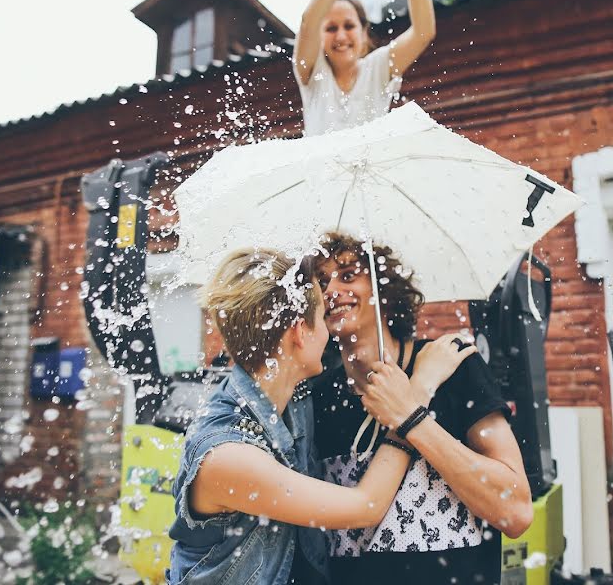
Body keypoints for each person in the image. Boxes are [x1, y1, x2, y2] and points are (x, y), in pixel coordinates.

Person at [166, 248, 475, 585]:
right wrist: (416, 393)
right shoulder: (228, 456)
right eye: (322, 315)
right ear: (300, 332)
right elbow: (366, 506)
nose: (328, 330)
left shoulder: (293, 400)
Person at [306, 232, 534, 585]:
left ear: (384, 289)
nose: (332, 288)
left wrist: (410, 416)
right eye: (321, 282)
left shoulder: (453, 367)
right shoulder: (317, 399)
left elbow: (516, 512)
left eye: (348, 275)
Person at [293, 0, 436, 135]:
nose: (341, 36)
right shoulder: (313, 71)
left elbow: (423, 33)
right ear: (319, 37)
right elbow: (308, 23)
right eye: (331, 28)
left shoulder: (377, 67)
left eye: (349, 26)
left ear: (363, 34)